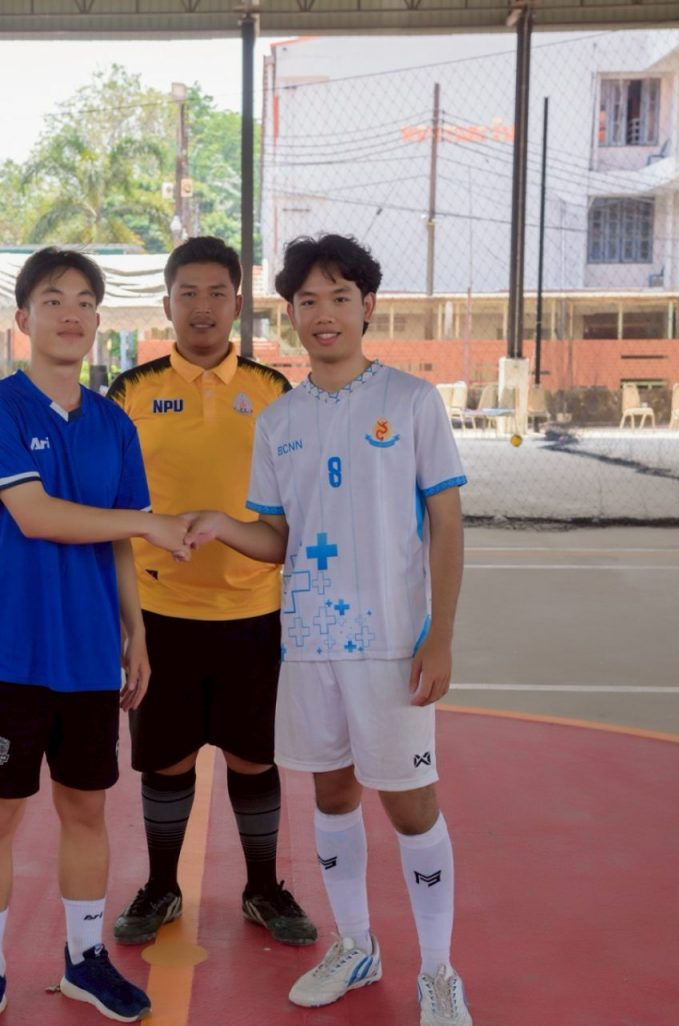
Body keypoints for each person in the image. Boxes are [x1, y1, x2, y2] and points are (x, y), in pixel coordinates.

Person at [182, 235, 472, 1026]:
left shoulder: (412, 403)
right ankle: (356, 945)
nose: (324, 314)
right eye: (308, 301)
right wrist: (223, 525)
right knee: (332, 794)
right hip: (309, 645)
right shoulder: (280, 420)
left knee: (411, 806)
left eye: (340, 298)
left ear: (367, 306)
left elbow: (447, 523)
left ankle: (438, 971)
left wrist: (441, 634)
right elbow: (279, 536)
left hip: (393, 646)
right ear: (291, 314)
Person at [0, 247, 193, 1026]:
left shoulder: (114, 425)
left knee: (86, 811)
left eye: (85, 301)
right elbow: (35, 515)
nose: (71, 314)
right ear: (24, 318)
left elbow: (117, 539)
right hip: (13, 654)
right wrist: (150, 523)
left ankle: (85, 959)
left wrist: (136, 630)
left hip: (89, 658)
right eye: (54, 300)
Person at [106, 236, 316, 949]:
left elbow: (297, 511)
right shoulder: (129, 393)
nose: (202, 307)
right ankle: (162, 886)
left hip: (254, 613)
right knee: (165, 761)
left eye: (216, 293)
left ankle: (263, 889)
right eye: (188, 293)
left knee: (254, 758)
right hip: (160, 614)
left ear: (237, 304)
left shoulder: (274, 392)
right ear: (166, 303)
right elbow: (112, 510)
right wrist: (129, 624)